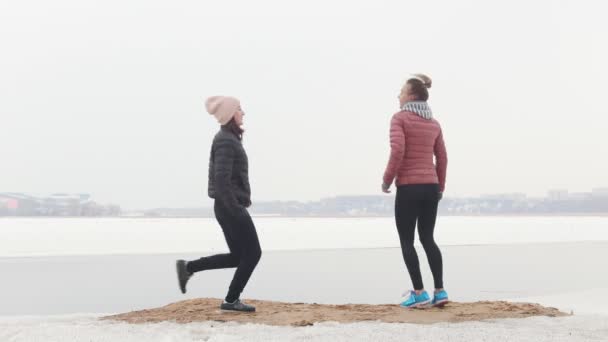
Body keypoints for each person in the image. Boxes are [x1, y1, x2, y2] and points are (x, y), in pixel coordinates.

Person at [176, 96, 262, 312]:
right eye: (240, 109)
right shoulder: (225, 140)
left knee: (238, 257)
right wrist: (235, 208)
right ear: (231, 114)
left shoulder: (229, 138)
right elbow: (221, 179)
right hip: (229, 206)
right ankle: (231, 300)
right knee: (253, 254)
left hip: (227, 206)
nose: (243, 113)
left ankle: (189, 267)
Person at [382, 74, 449, 308]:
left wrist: (387, 180)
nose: (398, 95)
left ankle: (419, 293)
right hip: (430, 187)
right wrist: (440, 186)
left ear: (411, 96)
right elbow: (442, 158)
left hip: (409, 188)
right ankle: (440, 291)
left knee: (407, 240)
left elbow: (397, 150)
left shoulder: (400, 118)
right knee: (428, 238)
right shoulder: (434, 123)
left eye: (401, 91)